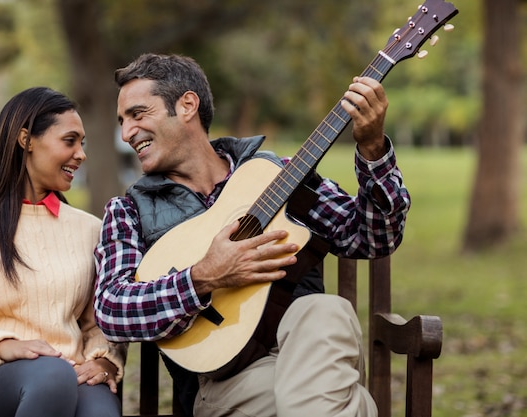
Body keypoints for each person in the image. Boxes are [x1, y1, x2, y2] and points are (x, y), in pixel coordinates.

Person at [94, 53, 411, 417]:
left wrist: (373, 151)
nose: (126, 133)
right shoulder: (129, 211)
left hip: (310, 348)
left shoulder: (279, 176)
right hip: (227, 382)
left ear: (186, 105)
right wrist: (201, 278)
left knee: (325, 310)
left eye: (137, 114)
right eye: (121, 121)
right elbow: (111, 309)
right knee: (347, 403)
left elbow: (374, 238)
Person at [0, 87, 127, 417]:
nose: (81, 154)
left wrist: (104, 359)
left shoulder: (89, 229)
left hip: (71, 374)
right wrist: (7, 346)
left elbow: (98, 323)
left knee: (100, 410)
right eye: (70, 141)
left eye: (83, 143)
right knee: (52, 375)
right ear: (26, 139)